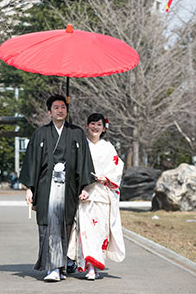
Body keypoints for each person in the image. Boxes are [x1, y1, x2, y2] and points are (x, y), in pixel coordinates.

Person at [19, 95, 95, 282]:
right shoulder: (40, 134)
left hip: (68, 188)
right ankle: (51, 267)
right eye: (56, 107)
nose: (60, 110)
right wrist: (29, 188)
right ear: (49, 112)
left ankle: (59, 267)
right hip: (46, 187)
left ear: (67, 111)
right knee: (46, 226)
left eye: (63, 107)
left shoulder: (76, 133)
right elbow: (31, 163)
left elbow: (84, 161)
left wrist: (85, 186)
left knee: (65, 226)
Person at [67, 113, 125, 280]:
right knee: (85, 232)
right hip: (85, 195)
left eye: (98, 124)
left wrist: (106, 178)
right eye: (92, 124)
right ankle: (90, 267)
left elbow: (117, 168)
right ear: (87, 126)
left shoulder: (109, 148)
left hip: (102, 195)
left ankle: (95, 265)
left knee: (100, 233)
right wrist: (82, 186)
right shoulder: (80, 145)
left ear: (104, 128)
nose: (95, 127)